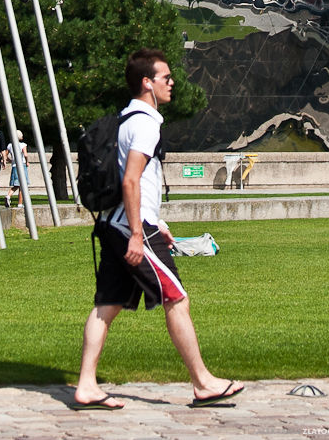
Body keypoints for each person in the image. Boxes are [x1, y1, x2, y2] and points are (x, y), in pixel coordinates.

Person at [71, 49, 243, 412]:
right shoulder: (146, 122)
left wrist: (157, 224)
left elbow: (135, 182)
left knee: (108, 304)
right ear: (147, 83)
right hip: (130, 229)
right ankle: (203, 382)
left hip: (115, 224)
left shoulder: (126, 118)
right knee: (176, 297)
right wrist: (139, 233)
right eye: (166, 77)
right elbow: (132, 181)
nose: (172, 82)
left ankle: (86, 385)